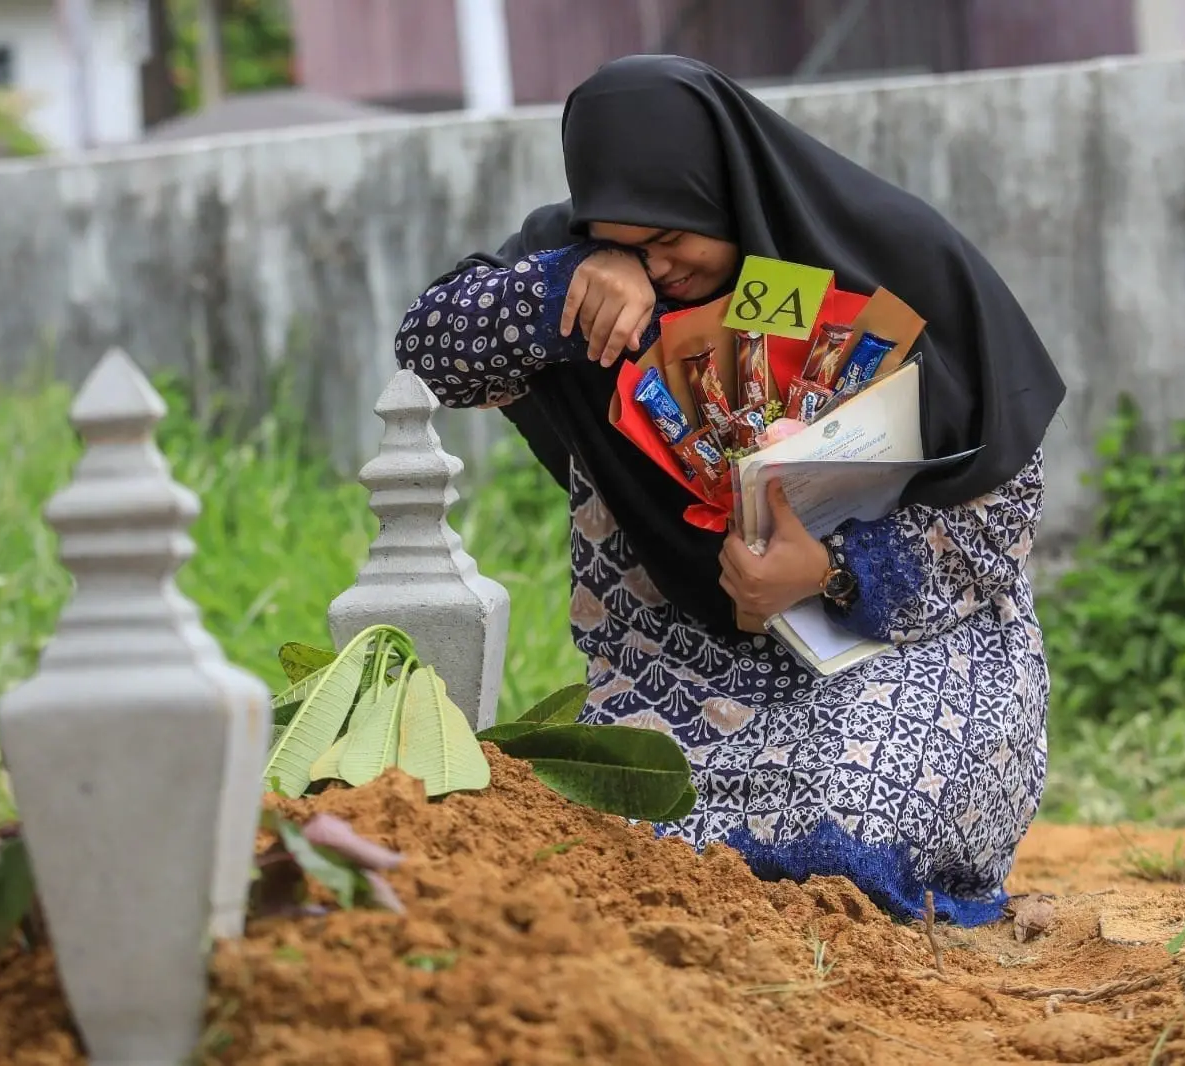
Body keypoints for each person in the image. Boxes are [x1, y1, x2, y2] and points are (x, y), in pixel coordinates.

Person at [393, 54, 1066, 926]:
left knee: (851, 822)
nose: (658, 267)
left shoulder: (891, 257)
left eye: (672, 237)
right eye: (622, 239)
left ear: (726, 189)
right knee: (595, 843)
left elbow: (1002, 516)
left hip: (911, 651)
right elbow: (429, 352)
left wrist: (828, 572)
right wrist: (576, 278)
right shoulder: (584, 278)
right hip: (684, 667)